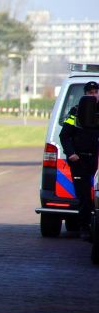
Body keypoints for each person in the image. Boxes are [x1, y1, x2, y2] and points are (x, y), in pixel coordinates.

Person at [59, 80, 99, 240]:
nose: (93, 96)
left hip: (97, 159)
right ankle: (84, 227)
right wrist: (71, 154)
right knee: (83, 195)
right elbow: (65, 135)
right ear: (84, 95)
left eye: (95, 92)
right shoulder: (75, 112)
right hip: (80, 159)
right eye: (89, 93)